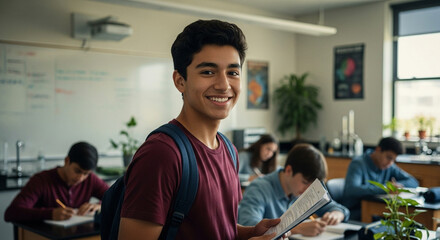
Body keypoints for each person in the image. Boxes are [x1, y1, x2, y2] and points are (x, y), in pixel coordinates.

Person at [118, 19, 290, 240]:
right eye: (208, 72)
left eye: (233, 72)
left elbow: (215, 229)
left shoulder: (229, 150)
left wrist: (250, 233)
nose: (224, 85)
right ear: (180, 81)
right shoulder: (161, 155)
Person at [238, 143, 350, 237]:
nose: (308, 190)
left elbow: (339, 209)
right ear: (288, 170)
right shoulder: (259, 188)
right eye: (305, 182)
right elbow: (249, 228)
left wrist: (337, 214)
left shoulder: (302, 189)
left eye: (311, 186)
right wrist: (297, 229)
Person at [4, 141, 109, 222]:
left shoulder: (91, 179)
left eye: (86, 173)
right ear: (67, 161)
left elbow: (117, 198)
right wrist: (50, 214)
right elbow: (12, 213)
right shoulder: (41, 180)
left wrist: (101, 206)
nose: (81, 178)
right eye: (77, 171)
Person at [341, 137, 419, 220]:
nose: (390, 163)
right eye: (389, 157)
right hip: (356, 212)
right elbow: (352, 189)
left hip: (378, 210)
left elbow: (413, 181)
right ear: (378, 150)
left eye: (393, 160)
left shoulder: (389, 166)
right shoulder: (358, 164)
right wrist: (385, 188)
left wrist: (398, 186)